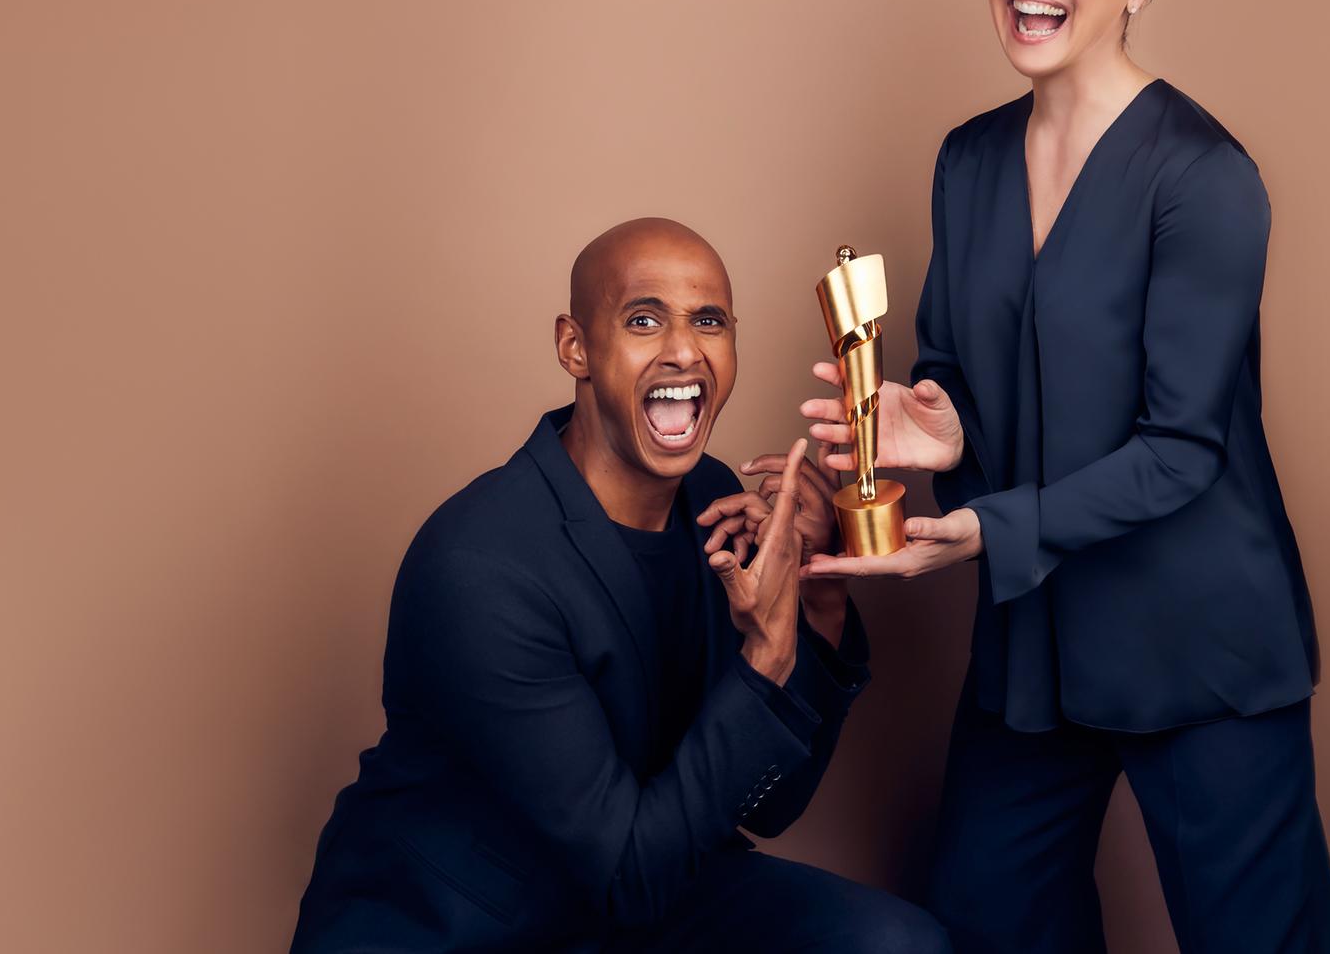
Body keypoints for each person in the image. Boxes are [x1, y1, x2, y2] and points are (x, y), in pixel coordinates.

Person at [801, 0, 1330, 952]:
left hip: (1200, 652)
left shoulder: (1205, 178)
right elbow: (960, 366)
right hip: (1033, 653)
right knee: (991, 922)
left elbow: (1182, 449)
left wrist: (984, 530)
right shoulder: (968, 158)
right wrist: (934, 425)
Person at [292, 218, 948, 953]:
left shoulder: (713, 497)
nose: (683, 350)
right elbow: (627, 877)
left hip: (649, 878)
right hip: (471, 926)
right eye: (644, 319)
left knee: (895, 944)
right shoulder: (479, 565)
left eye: (709, 321)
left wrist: (817, 600)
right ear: (576, 347)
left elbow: (769, 804)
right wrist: (765, 652)